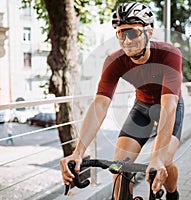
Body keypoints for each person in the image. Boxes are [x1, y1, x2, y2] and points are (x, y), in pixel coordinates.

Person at [60, 2, 184, 199]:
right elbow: (100, 105)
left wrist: (157, 158)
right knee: (119, 167)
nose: (126, 40)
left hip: (169, 106)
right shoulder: (114, 61)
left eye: (132, 32)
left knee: (164, 159)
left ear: (148, 32)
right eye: (120, 33)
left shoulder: (169, 55)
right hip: (142, 106)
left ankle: (172, 193)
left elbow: (169, 105)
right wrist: (78, 152)